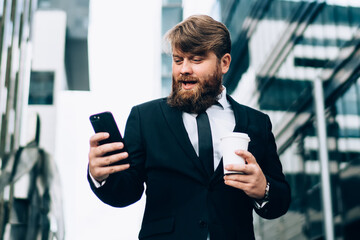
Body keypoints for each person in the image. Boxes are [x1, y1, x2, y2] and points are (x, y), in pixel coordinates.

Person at [88, 15, 291, 240]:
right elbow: (126, 192)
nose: (184, 69)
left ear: (224, 63)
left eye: (196, 60)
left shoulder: (257, 123)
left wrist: (263, 189)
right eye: (178, 60)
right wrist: (100, 176)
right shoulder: (145, 118)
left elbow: (280, 202)